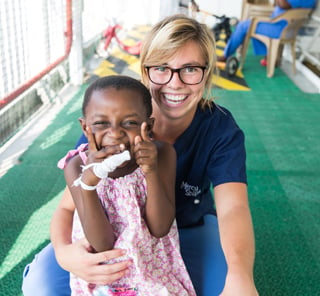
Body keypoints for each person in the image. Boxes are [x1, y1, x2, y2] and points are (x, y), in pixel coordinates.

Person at [22, 14, 258, 296]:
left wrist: (240, 273)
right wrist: (64, 253)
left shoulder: (219, 128)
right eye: (161, 68)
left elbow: (234, 208)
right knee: (40, 285)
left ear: (206, 73)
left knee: (228, 286)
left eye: (191, 69)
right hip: (111, 233)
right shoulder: (109, 124)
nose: (175, 83)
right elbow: (67, 207)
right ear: (145, 72)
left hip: (187, 226)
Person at [57, 75, 196, 295]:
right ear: (85, 127)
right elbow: (102, 243)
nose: (115, 133)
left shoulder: (162, 154)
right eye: (101, 123)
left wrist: (150, 171)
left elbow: (160, 228)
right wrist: (88, 186)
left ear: (148, 126)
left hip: (153, 272)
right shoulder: (76, 167)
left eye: (130, 123)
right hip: (104, 276)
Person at [218, 0, 317, 66]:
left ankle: (226, 56)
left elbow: (283, 4)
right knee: (253, 25)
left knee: (243, 25)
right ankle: (268, 57)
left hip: (279, 29)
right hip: (288, 30)